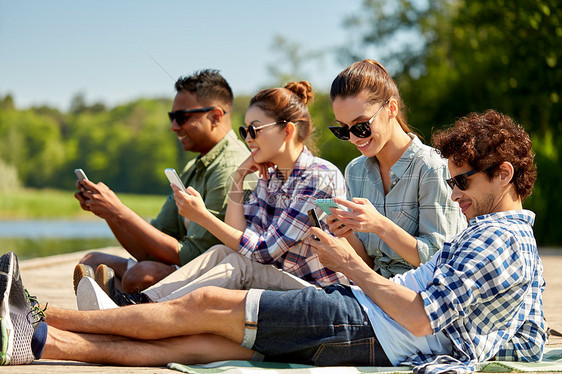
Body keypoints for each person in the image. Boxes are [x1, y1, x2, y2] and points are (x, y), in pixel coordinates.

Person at [1, 110, 546, 372]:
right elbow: (520, 328)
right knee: (203, 345)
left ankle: (36, 313)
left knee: (205, 305)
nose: (455, 195)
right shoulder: (506, 237)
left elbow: (422, 317)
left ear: (503, 173)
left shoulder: (499, 240)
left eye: (462, 182)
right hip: (365, 324)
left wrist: (349, 265)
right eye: (450, 181)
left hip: (363, 323)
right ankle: (38, 343)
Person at [77, 81, 348, 308]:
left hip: (318, 294)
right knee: (222, 252)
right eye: (244, 131)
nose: (247, 138)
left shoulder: (318, 177)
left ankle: (144, 310)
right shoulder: (272, 176)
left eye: (254, 130)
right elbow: (236, 240)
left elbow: (262, 253)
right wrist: (238, 180)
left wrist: (202, 217)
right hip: (277, 281)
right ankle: (140, 305)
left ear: (287, 130)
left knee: (241, 266)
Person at [73, 69, 252, 293]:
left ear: (216, 116)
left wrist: (119, 211)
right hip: (187, 269)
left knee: (142, 275)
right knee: (90, 261)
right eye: (172, 117)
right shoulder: (194, 167)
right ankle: (119, 304)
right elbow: (147, 249)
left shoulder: (230, 169)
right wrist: (110, 214)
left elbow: (194, 257)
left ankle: (117, 305)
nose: (174, 127)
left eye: (182, 117)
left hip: (217, 279)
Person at [325, 59, 465, 277]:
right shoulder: (355, 171)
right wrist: (347, 234)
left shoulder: (431, 167)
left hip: (422, 296)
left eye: (361, 126)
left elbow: (440, 260)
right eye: (343, 130)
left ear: (391, 108)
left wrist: (379, 225)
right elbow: (371, 265)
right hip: (376, 292)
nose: (353, 138)